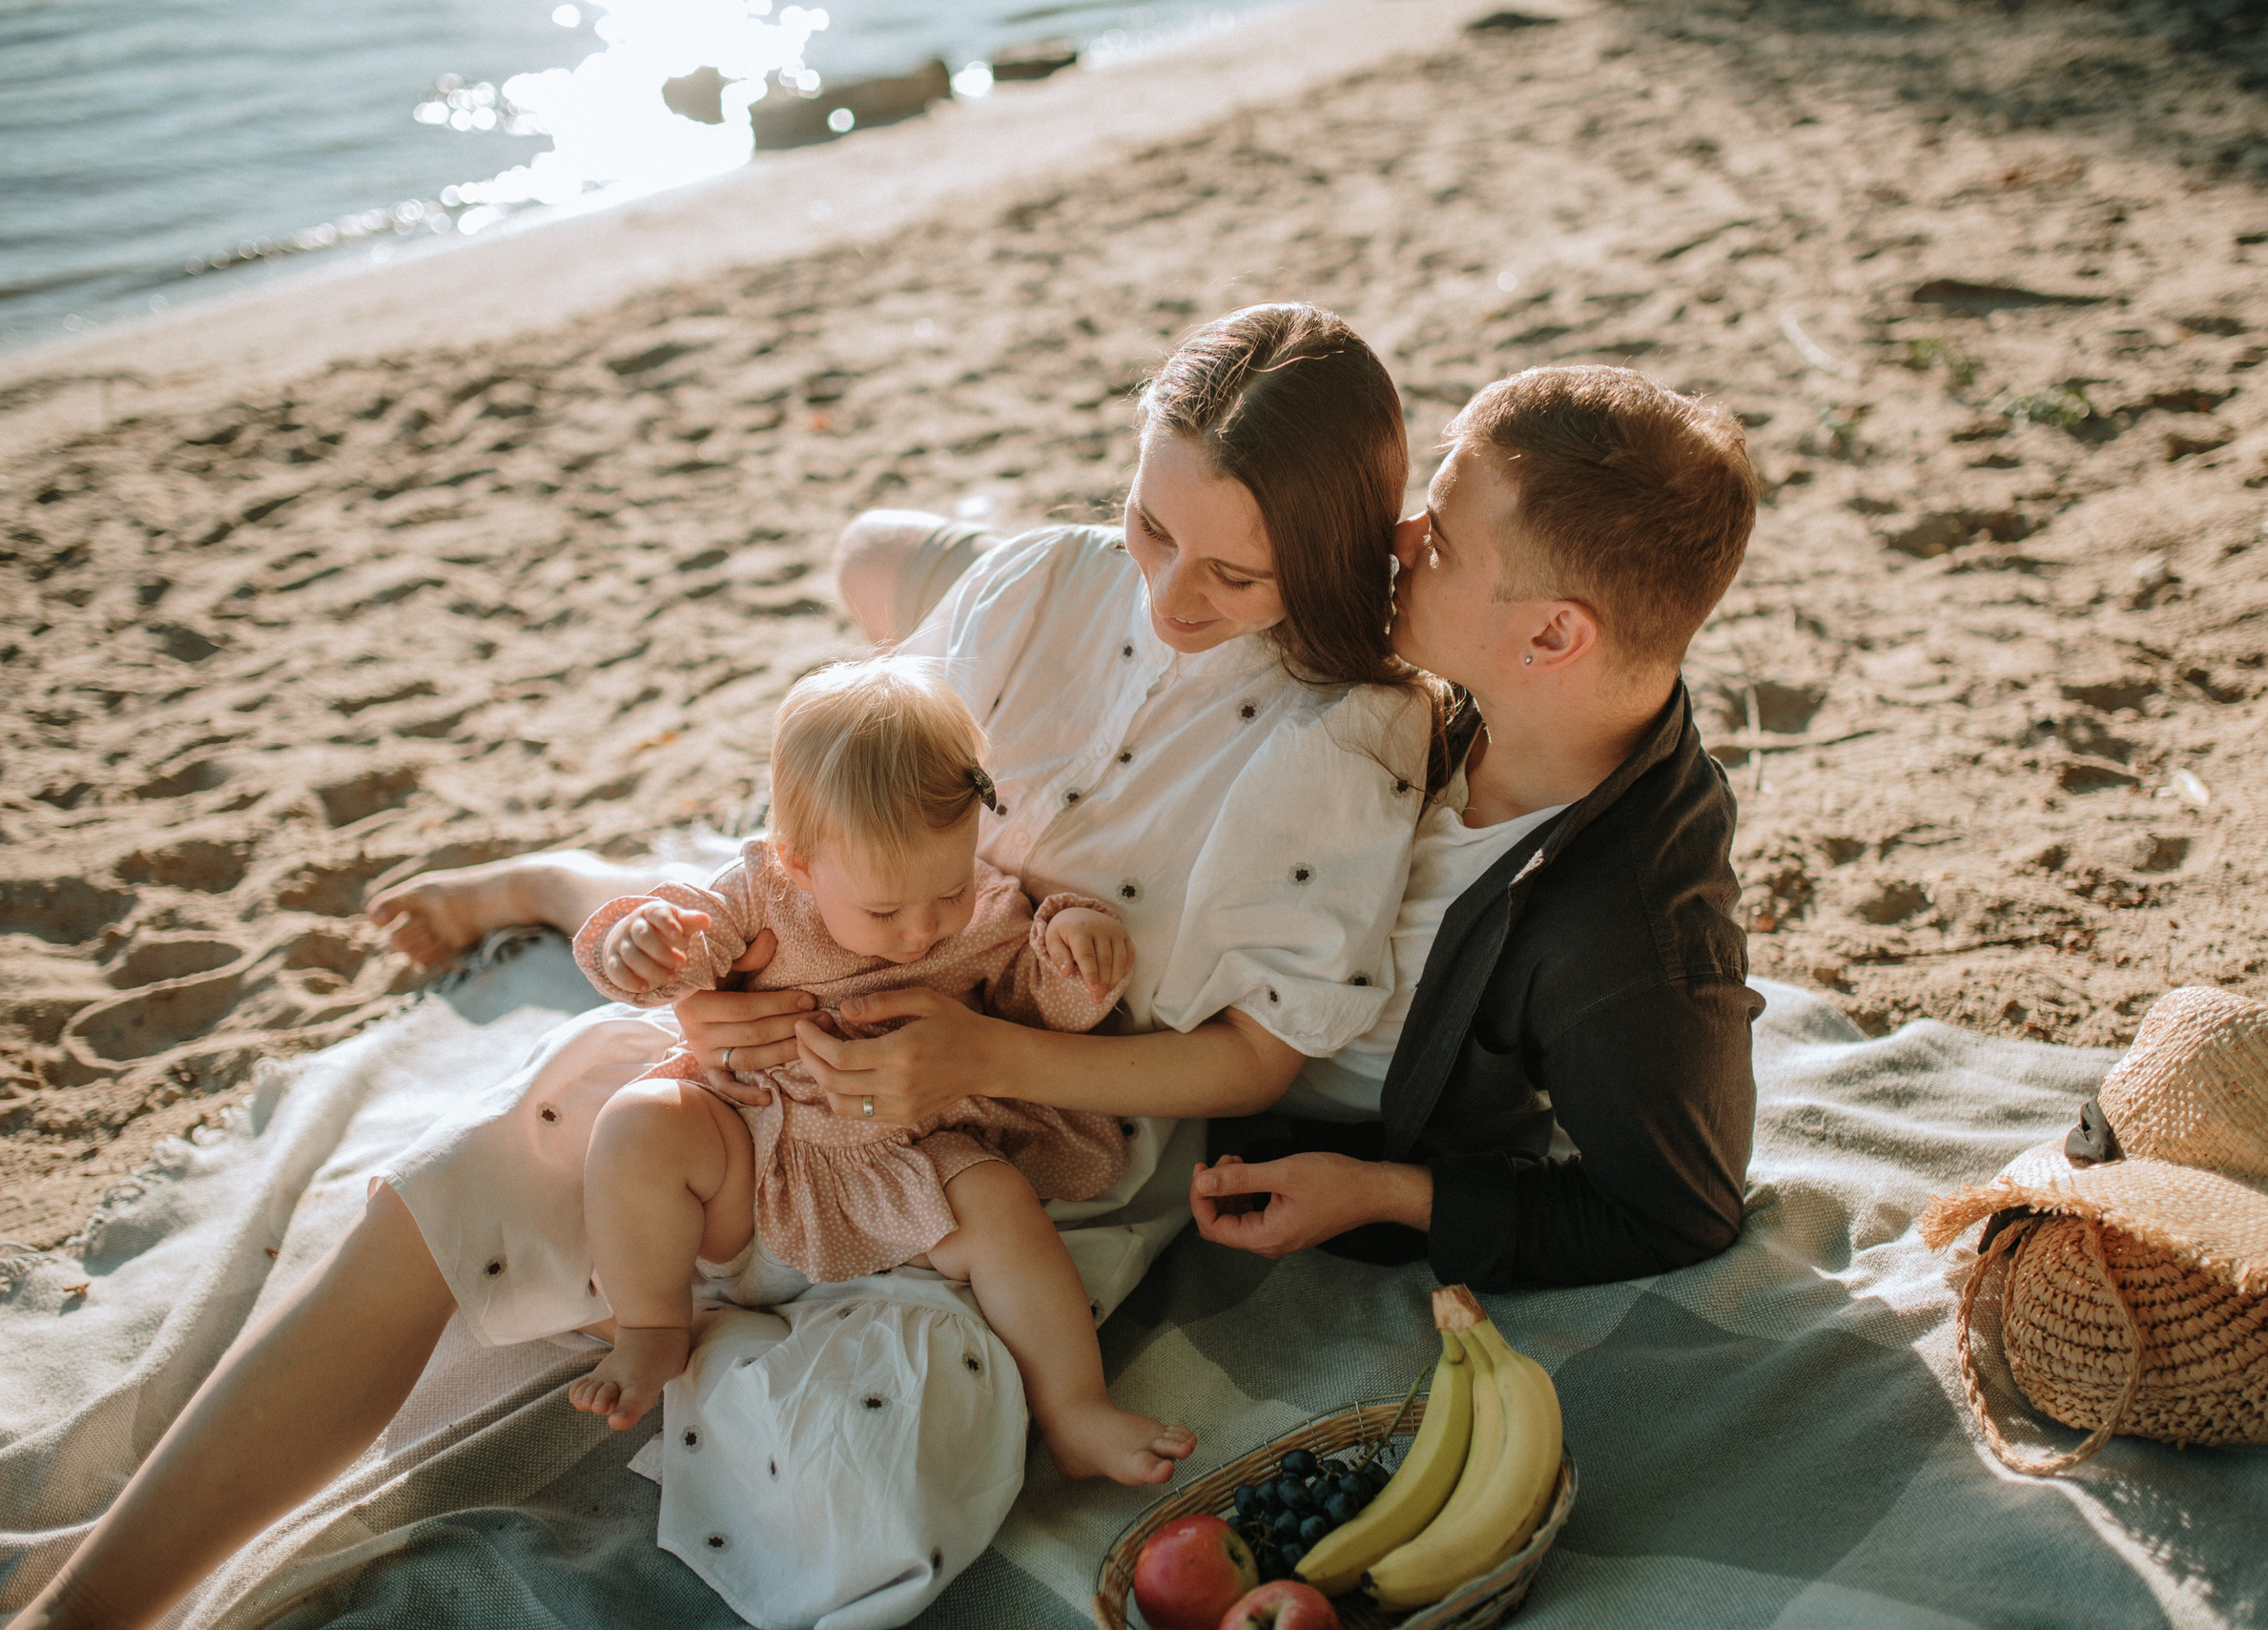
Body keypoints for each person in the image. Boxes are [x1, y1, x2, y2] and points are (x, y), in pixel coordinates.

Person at [17, 302, 1438, 1630]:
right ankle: (86, 1608)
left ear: (1317, 556)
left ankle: (557, 894)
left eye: (1233, 571)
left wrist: (982, 1055)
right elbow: (828, 829)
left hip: (1036, 1122)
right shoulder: (1044, 583)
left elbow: (1261, 1055)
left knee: (872, 1474)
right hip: (798, 1021)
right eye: (1147, 526)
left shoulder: (1345, 740)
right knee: (472, 1171)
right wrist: (725, 992)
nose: (1170, 594)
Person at [1187, 363, 1765, 1290]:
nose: (1400, 536)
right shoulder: (1479, 695)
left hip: (1226, 1120)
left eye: (1442, 541)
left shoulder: (1633, 947)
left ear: (1549, 637)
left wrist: (1382, 1192)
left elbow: (1676, 1209)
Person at [566, 658, 1193, 1487]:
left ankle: (1073, 1406)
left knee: (1000, 1202)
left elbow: (1033, 1001)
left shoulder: (989, 910)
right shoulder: (758, 892)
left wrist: (1072, 952)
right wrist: (640, 942)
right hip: (750, 1170)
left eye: (949, 889)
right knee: (638, 1122)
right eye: (885, 910)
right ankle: (651, 1324)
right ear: (797, 863)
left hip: (907, 1170)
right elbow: (690, 943)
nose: (921, 931)